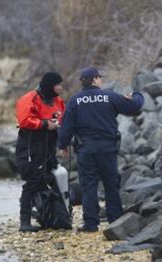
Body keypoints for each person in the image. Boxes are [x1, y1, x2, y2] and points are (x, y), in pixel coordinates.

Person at [58, 66, 144, 232]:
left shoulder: (75, 100)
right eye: (100, 78)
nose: (101, 80)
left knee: (88, 185)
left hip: (86, 150)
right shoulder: (109, 96)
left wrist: (62, 146)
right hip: (107, 148)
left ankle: (91, 224)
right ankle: (115, 220)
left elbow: (66, 126)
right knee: (111, 183)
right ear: (96, 80)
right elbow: (134, 107)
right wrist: (136, 95)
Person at [15, 72, 65, 232]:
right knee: (33, 182)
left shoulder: (58, 101)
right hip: (31, 147)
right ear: (51, 85)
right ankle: (24, 222)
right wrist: (45, 124)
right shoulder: (29, 99)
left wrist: (64, 138)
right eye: (59, 84)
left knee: (51, 178)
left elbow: (63, 119)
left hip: (48, 147)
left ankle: (57, 216)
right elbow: (24, 121)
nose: (61, 87)